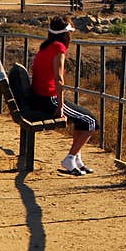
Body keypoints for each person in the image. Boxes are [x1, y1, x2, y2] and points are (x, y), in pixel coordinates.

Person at [29, 15, 97, 176]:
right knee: (91, 121)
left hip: (40, 97)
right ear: (65, 34)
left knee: (83, 119)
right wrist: (60, 108)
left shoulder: (46, 46)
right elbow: (59, 80)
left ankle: (76, 159)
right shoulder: (59, 48)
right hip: (49, 99)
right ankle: (70, 158)